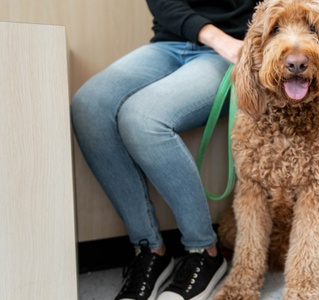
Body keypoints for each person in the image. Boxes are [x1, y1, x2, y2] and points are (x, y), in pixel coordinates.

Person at [71, 1, 259, 299]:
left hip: (236, 49)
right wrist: (215, 37)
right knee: (88, 106)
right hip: (170, 43)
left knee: (142, 118)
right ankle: (150, 250)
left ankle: (204, 251)